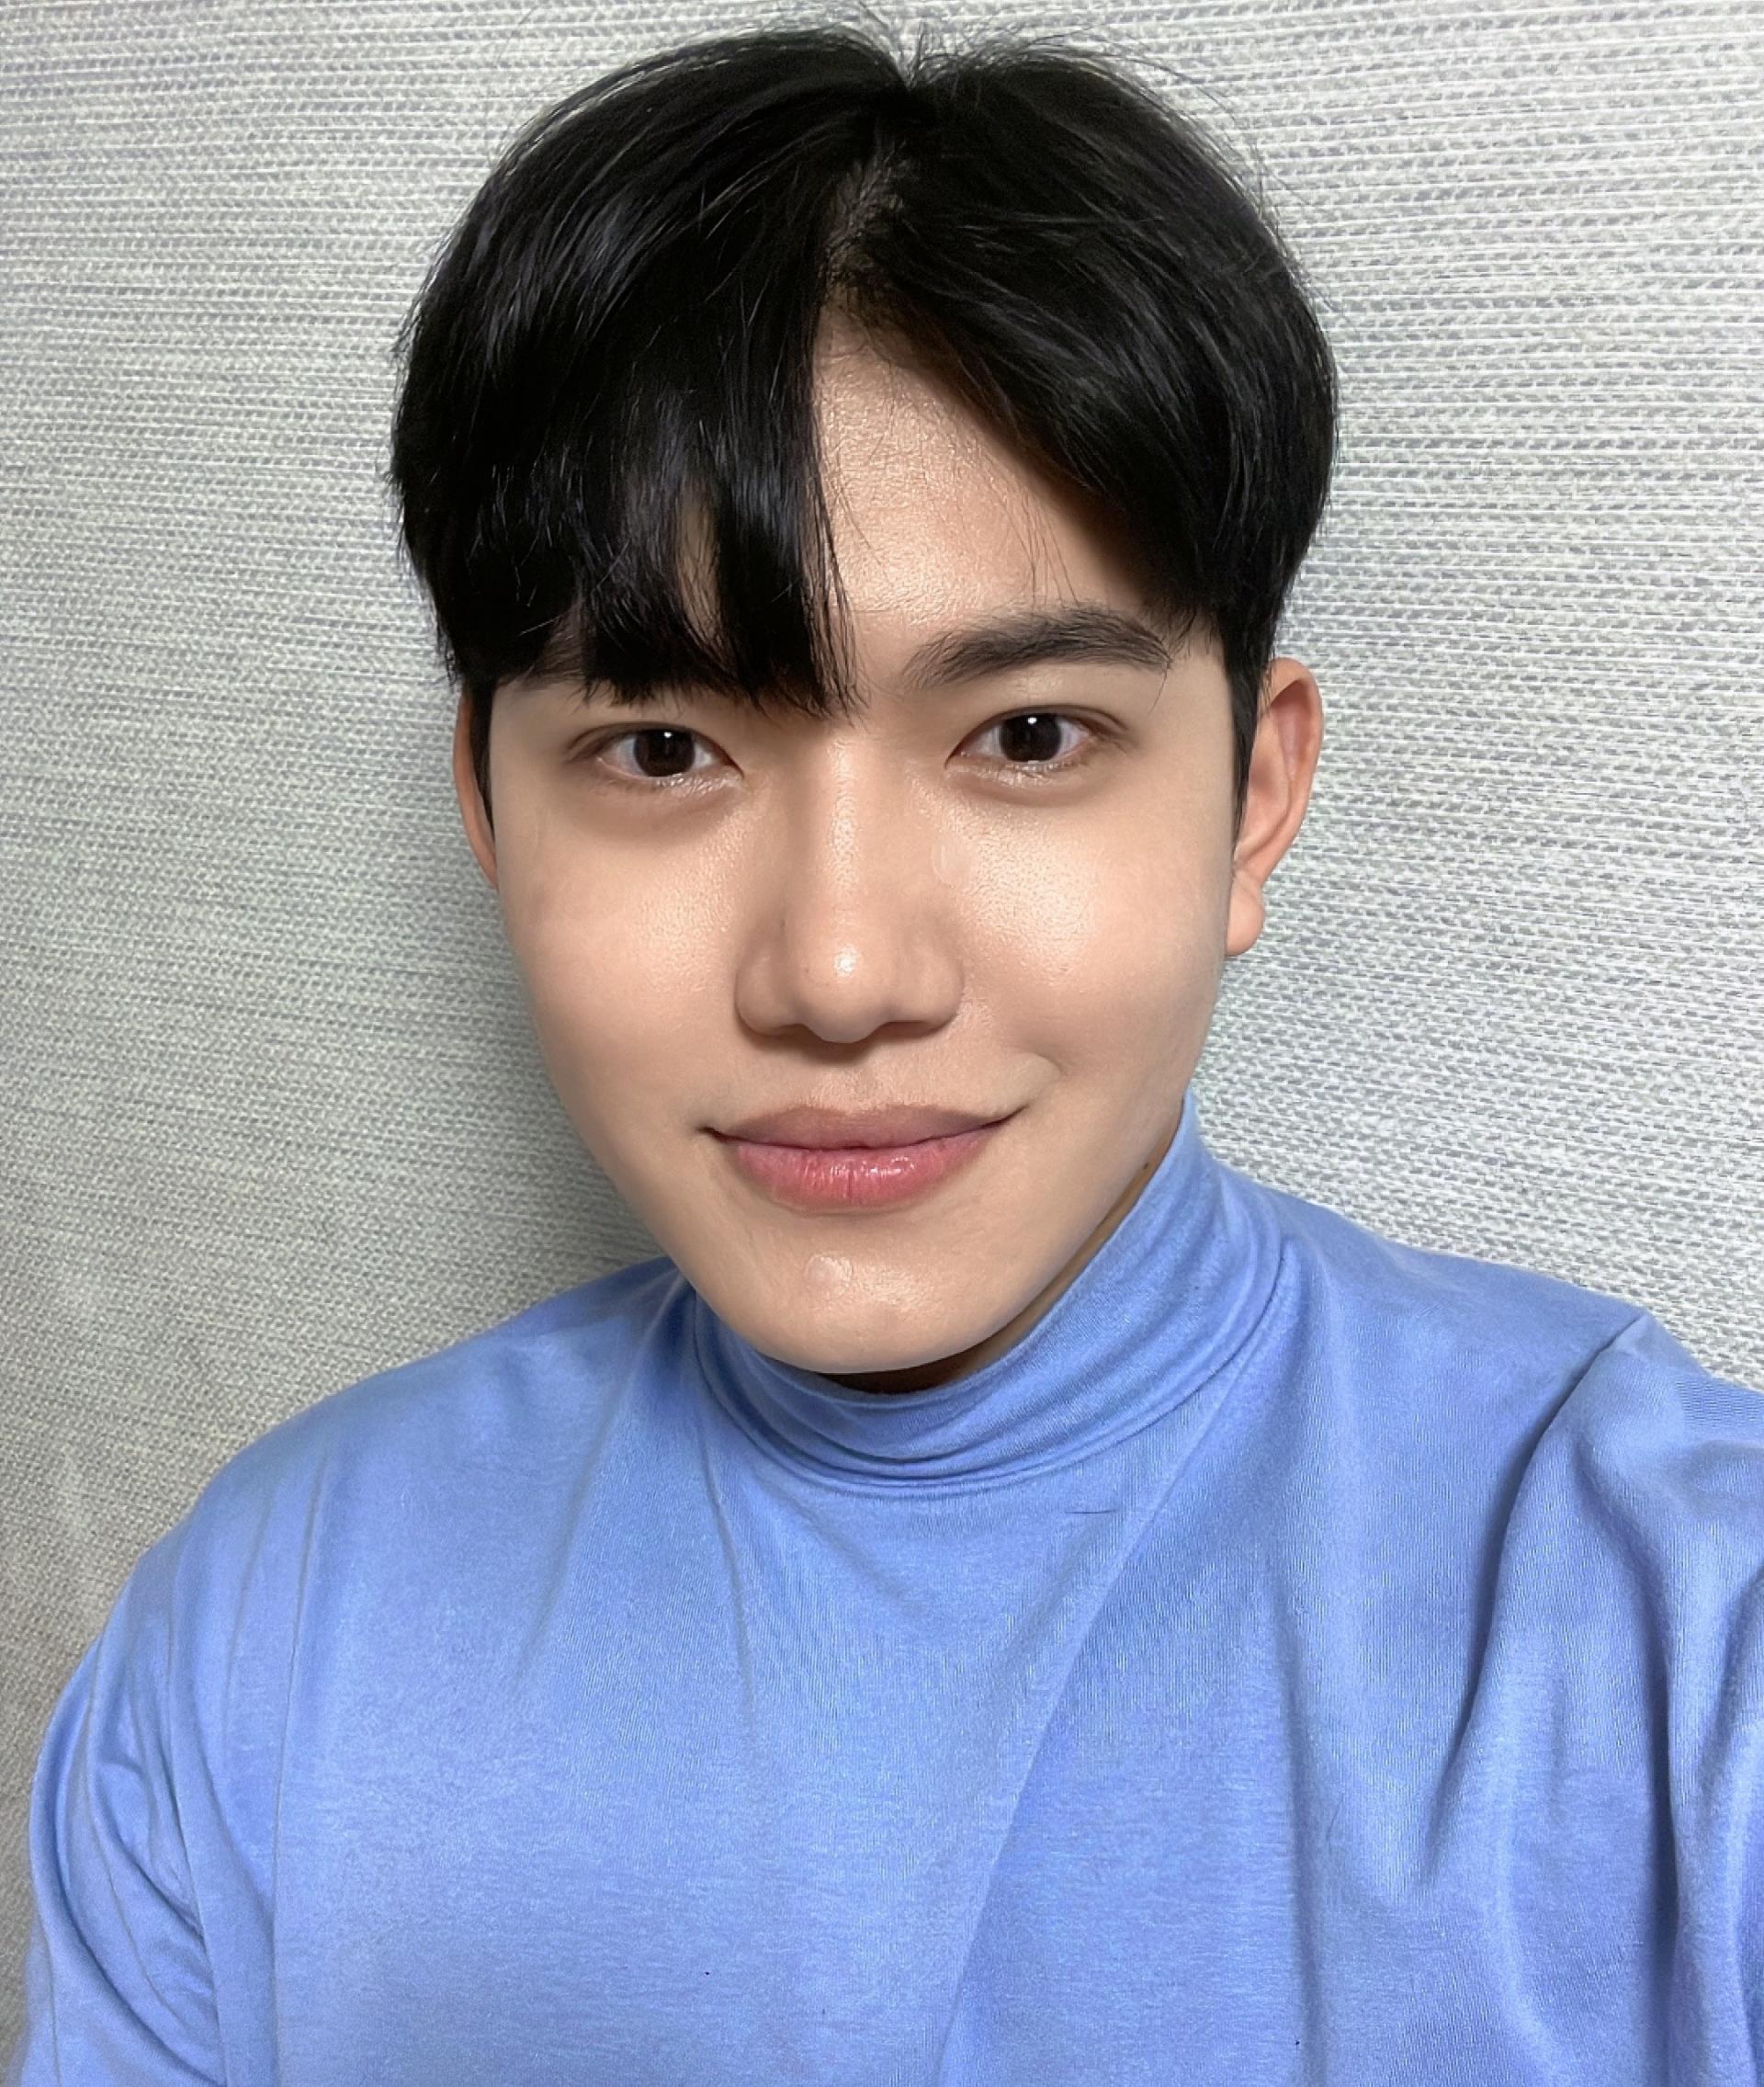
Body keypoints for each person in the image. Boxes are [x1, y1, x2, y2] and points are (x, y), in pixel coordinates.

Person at [9, 20, 1760, 2085]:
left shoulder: (1682, 1637)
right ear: (488, 808)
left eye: (1029, 734)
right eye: (663, 749)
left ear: (1253, 800)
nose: (840, 971)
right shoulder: (258, 1640)